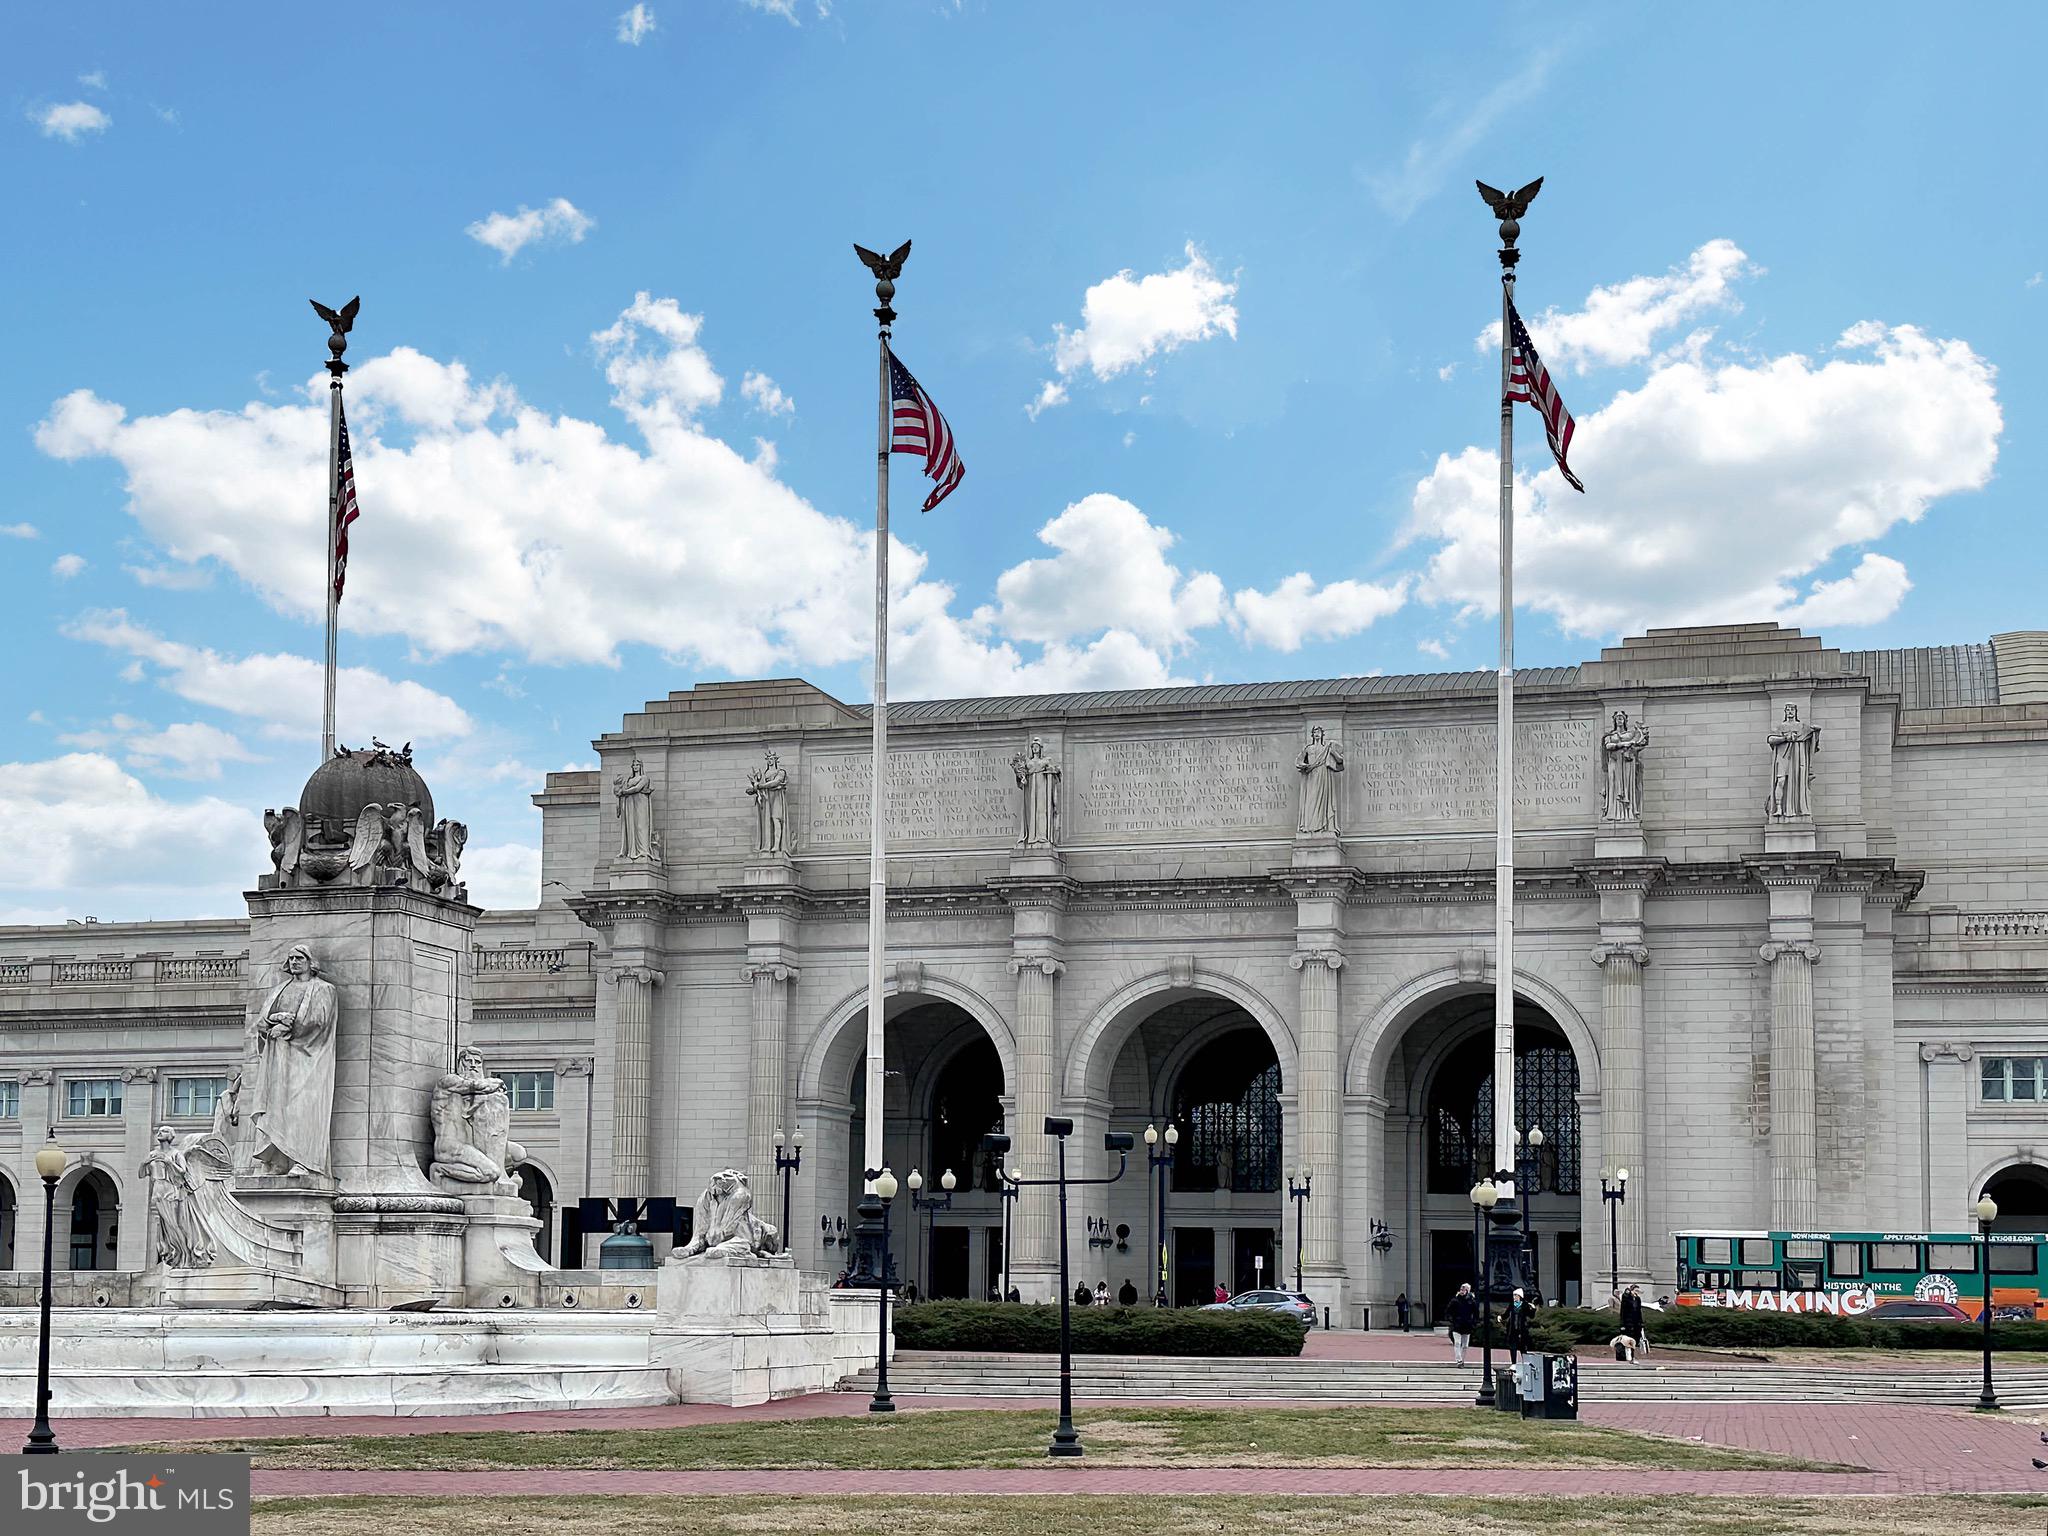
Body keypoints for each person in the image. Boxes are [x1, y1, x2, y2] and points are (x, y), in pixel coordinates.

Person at [1444, 1283, 1478, 1366]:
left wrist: (1473, 1322)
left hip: (1467, 1325)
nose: (1462, 1291)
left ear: (1468, 1291)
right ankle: (1458, 1360)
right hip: (1457, 1325)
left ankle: (1462, 1360)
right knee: (1457, 1343)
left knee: (1465, 1345)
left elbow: (1476, 1313)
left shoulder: (1471, 1301)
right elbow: (1448, 1311)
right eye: (1461, 1289)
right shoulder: (1455, 1300)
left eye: (1464, 1289)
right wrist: (1452, 1320)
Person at [1505, 1287, 1533, 1363]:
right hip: (1513, 1329)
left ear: (1519, 1296)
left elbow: (1531, 1315)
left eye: (1515, 1296)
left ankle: (1525, 1362)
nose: (1514, 1297)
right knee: (1513, 1347)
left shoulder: (1525, 1305)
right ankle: (1513, 1362)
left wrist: (1533, 1309)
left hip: (1522, 1329)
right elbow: (1506, 1314)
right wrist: (1501, 1317)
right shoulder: (1512, 1305)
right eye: (1513, 1296)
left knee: (1523, 1347)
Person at [1620, 1284, 1647, 1353]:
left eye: (1638, 1291)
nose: (1637, 1292)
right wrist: (1622, 1324)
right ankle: (1628, 1353)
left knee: (1636, 1337)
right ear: (1631, 1290)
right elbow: (1623, 1311)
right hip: (1628, 1321)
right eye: (1635, 1290)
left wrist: (1641, 1322)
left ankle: (1632, 1352)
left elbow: (1639, 1311)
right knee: (1629, 1337)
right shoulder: (1626, 1298)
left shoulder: (1637, 1299)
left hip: (1636, 1321)